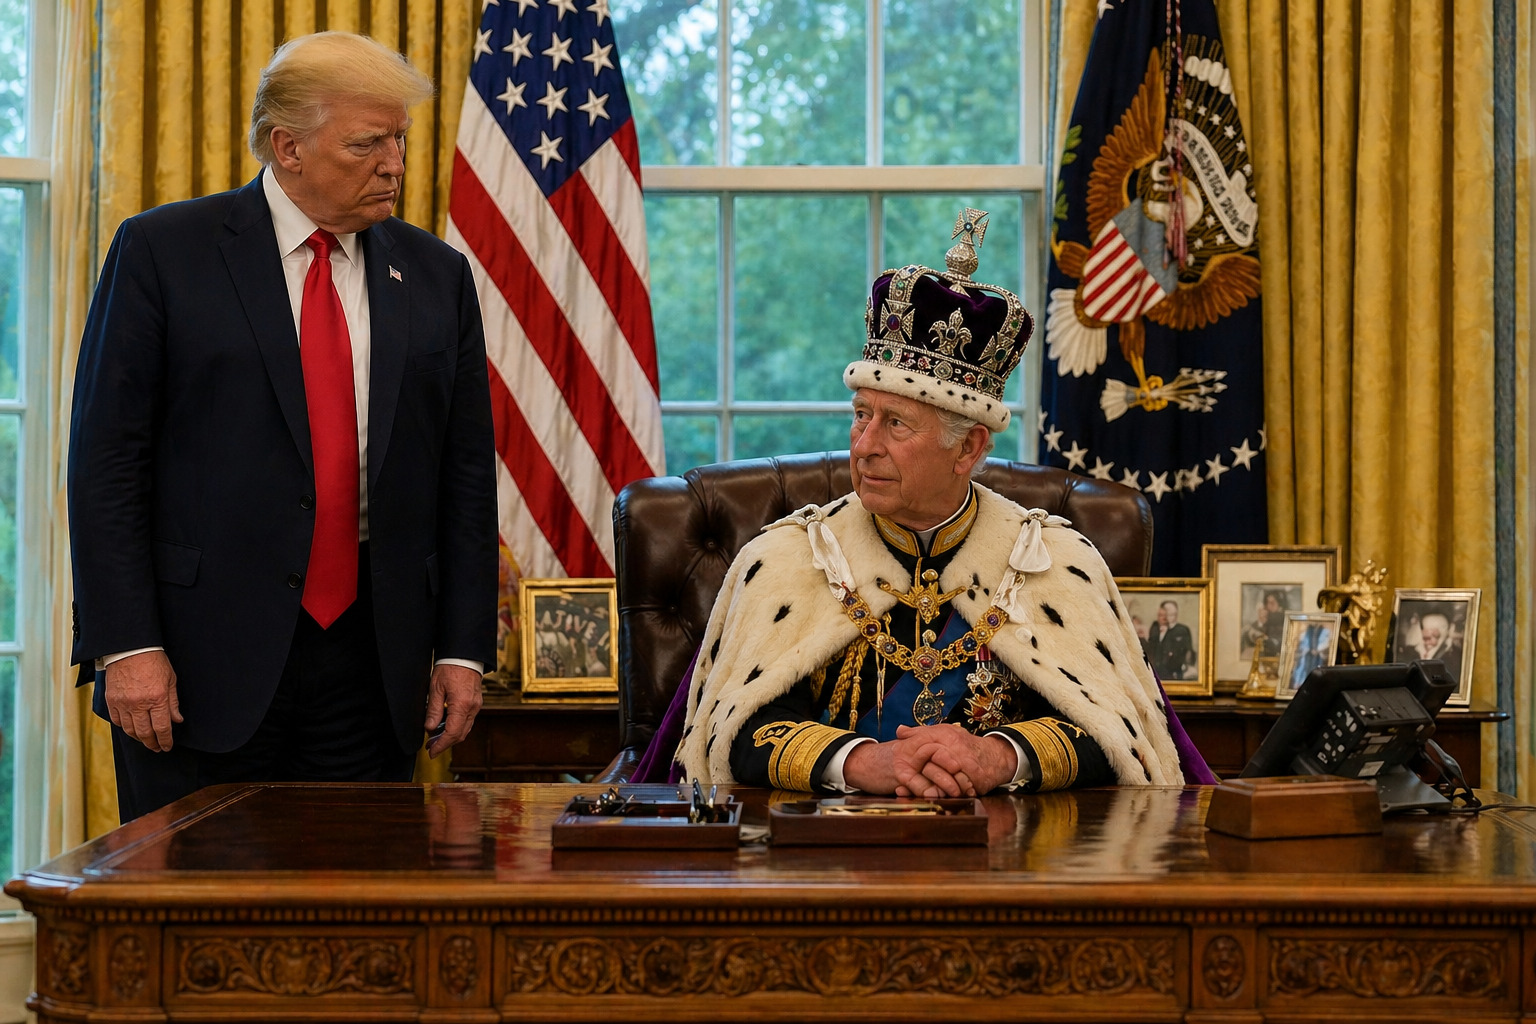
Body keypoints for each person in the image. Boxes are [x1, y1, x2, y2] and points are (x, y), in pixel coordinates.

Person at [68, 32, 497, 820]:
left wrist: (463, 650)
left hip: (374, 665)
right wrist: (125, 645)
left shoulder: (437, 273)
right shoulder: (164, 251)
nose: (394, 164)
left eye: (399, 140)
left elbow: (465, 474)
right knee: (193, 921)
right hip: (195, 664)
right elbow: (106, 466)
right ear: (286, 146)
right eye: (368, 144)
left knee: (357, 922)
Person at [674, 211, 1187, 796]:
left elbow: (1116, 733)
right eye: (860, 416)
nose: (863, 448)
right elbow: (738, 733)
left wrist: (1001, 756)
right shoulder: (788, 559)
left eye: (895, 424)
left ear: (967, 448)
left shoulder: (1057, 560)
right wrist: (862, 763)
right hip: (828, 857)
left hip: (1018, 856)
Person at [1148, 600, 1195, 681]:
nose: (1166, 617)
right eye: (1162, 614)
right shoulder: (1155, 627)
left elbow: (1188, 654)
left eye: (1171, 614)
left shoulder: (1182, 630)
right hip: (1156, 674)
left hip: (1174, 674)